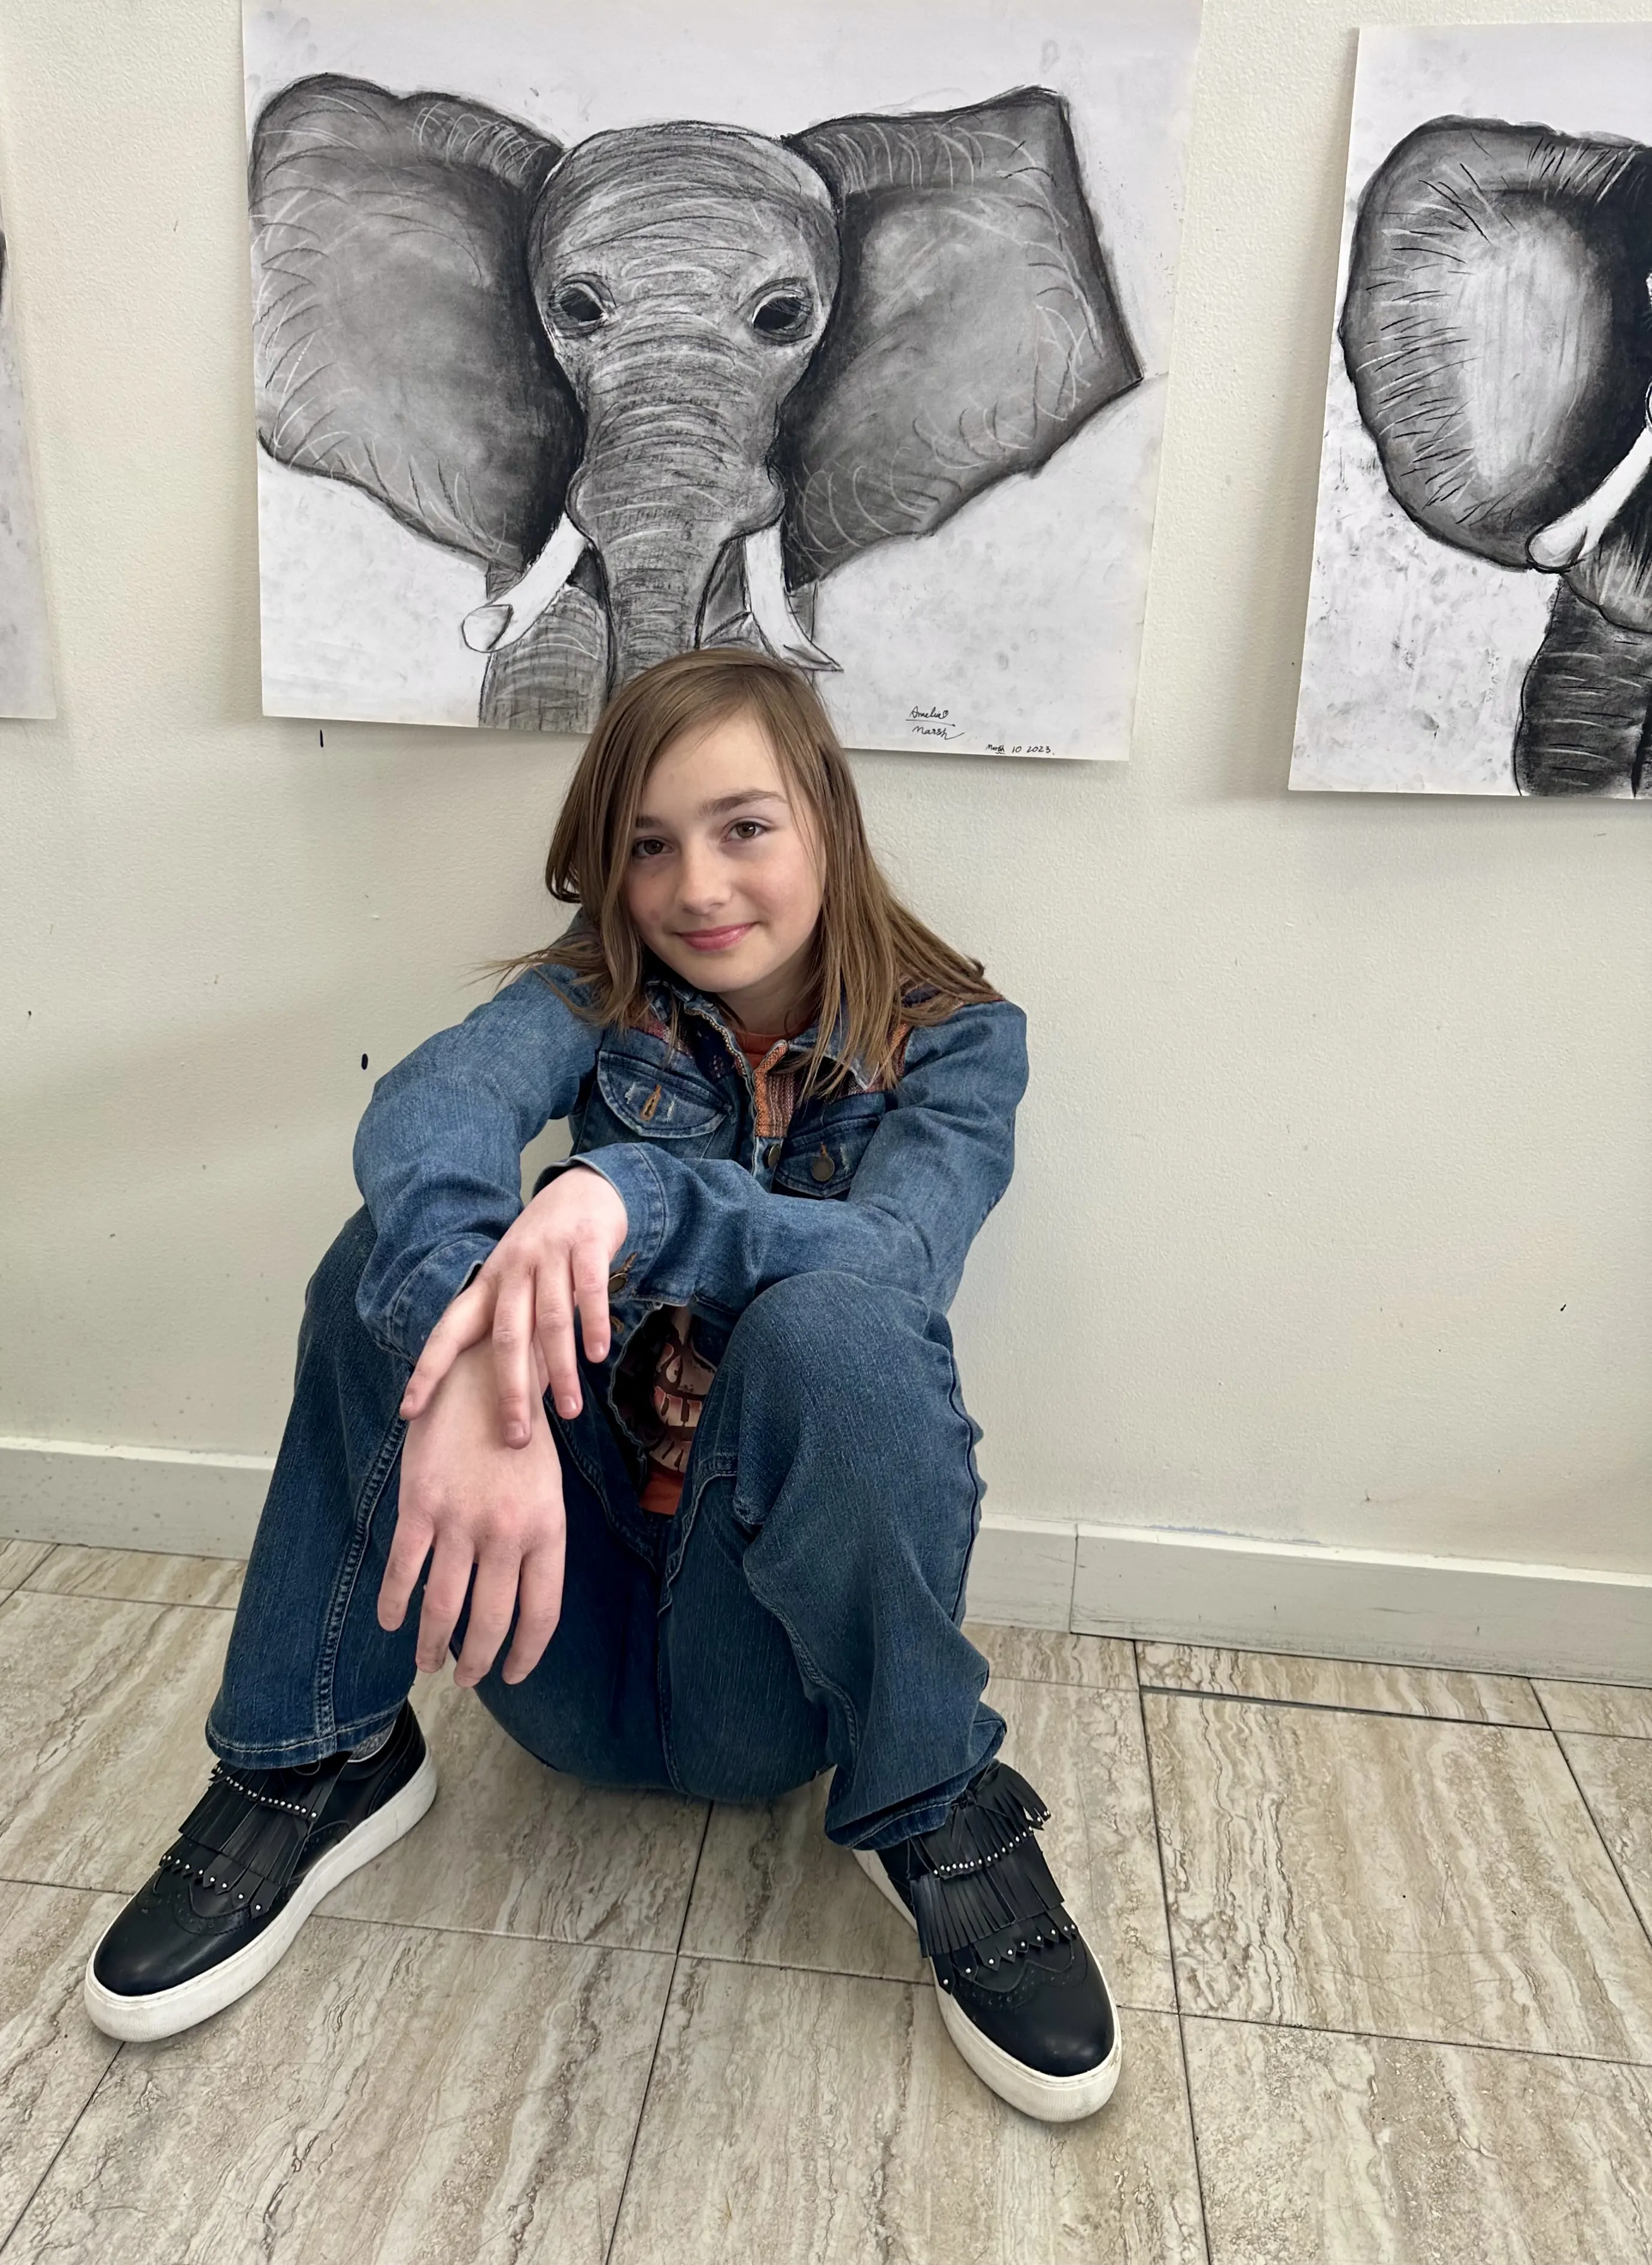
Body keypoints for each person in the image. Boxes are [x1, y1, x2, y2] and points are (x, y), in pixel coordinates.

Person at [82, 649, 1119, 2122]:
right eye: (647, 844)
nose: (696, 884)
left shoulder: (956, 1039)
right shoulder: (596, 998)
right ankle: (317, 1757)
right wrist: (468, 1357)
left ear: (826, 814)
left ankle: (935, 1803)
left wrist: (630, 1197)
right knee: (371, 1255)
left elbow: (899, 1254)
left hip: (768, 1684)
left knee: (835, 1325)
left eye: (742, 825)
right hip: (549, 1626)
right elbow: (431, 1105)